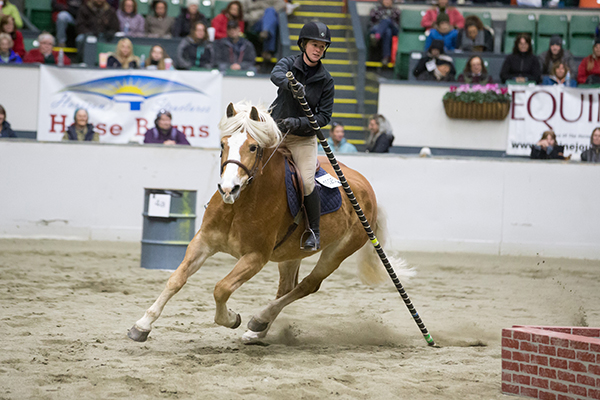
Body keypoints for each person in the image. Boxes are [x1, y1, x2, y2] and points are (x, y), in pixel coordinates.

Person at [269, 21, 334, 251]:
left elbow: (324, 117)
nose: (318, 49)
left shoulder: (326, 81)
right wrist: (290, 85)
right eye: (315, 44)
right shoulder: (288, 62)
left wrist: (297, 122)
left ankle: (313, 232)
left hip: (301, 139)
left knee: (307, 182)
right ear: (304, 44)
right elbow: (275, 74)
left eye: (322, 46)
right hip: (275, 131)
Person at [368, 0, 401, 65]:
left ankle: (377, 37)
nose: (387, 1)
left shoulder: (395, 10)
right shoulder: (376, 8)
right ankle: (385, 58)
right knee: (387, 32)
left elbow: (397, 22)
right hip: (378, 28)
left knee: (386, 20)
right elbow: (372, 20)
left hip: (393, 28)